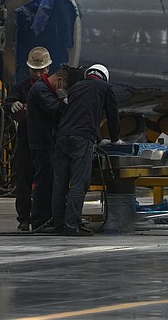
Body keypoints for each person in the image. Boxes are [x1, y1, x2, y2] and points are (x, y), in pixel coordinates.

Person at [49, 63, 120, 236]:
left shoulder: (76, 87)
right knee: (79, 183)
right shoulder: (105, 88)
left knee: (60, 183)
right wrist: (115, 139)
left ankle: (58, 224)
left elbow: (76, 112)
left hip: (62, 138)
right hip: (81, 139)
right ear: (104, 77)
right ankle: (72, 225)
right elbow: (112, 115)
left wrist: (97, 138)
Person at [2, 46, 52, 231]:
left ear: (48, 69)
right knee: (23, 180)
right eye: (34, 70)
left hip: (47, 142)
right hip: (26, 141)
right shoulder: (22, 88)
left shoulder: (52, 88)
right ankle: (24, 218)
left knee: (45, 181)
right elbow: (7, 102)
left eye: (41, 70)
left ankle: (42, 217)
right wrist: (12, 104)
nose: (38, 74)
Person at [26, 67, 69, 231]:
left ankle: (48, 218)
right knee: (44, 182)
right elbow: (57, 112)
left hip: (48, 143)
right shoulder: (40, 90)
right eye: (64, 87)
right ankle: (38, 221)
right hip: (42, 143)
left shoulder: (44, 89)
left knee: (49, 181)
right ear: (59, 81)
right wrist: (63, 100)